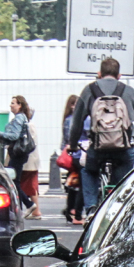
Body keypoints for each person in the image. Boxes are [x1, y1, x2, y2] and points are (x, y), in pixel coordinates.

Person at [68, 56, 134, 214]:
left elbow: (76, 123)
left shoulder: (89, 91)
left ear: (99, 74)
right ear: (119, 76)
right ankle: (121, 207)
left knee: (88, 171)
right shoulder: (130, 92)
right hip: (124, 149)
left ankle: (90, 209)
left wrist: (73, 143)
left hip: (98, 148)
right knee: (125, 177)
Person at [0, 95, 40, 218]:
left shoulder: (19, 118)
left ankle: (28, 204)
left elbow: (14, 136)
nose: (11, 105)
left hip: (17, 154)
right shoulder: (22, 117)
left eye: (13, 103)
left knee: (13, 182)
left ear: (20, 105)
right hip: (20, 154)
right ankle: (21, 206)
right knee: (15, 181)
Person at [61, 94, 82, 224]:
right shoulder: (72, 120)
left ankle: (70, 208)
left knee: (73, 182)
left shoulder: (68, 119)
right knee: (76, 182)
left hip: (71, 153)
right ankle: (72, 208)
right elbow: (70, 138)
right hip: (75, 153)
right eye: (75, 104)